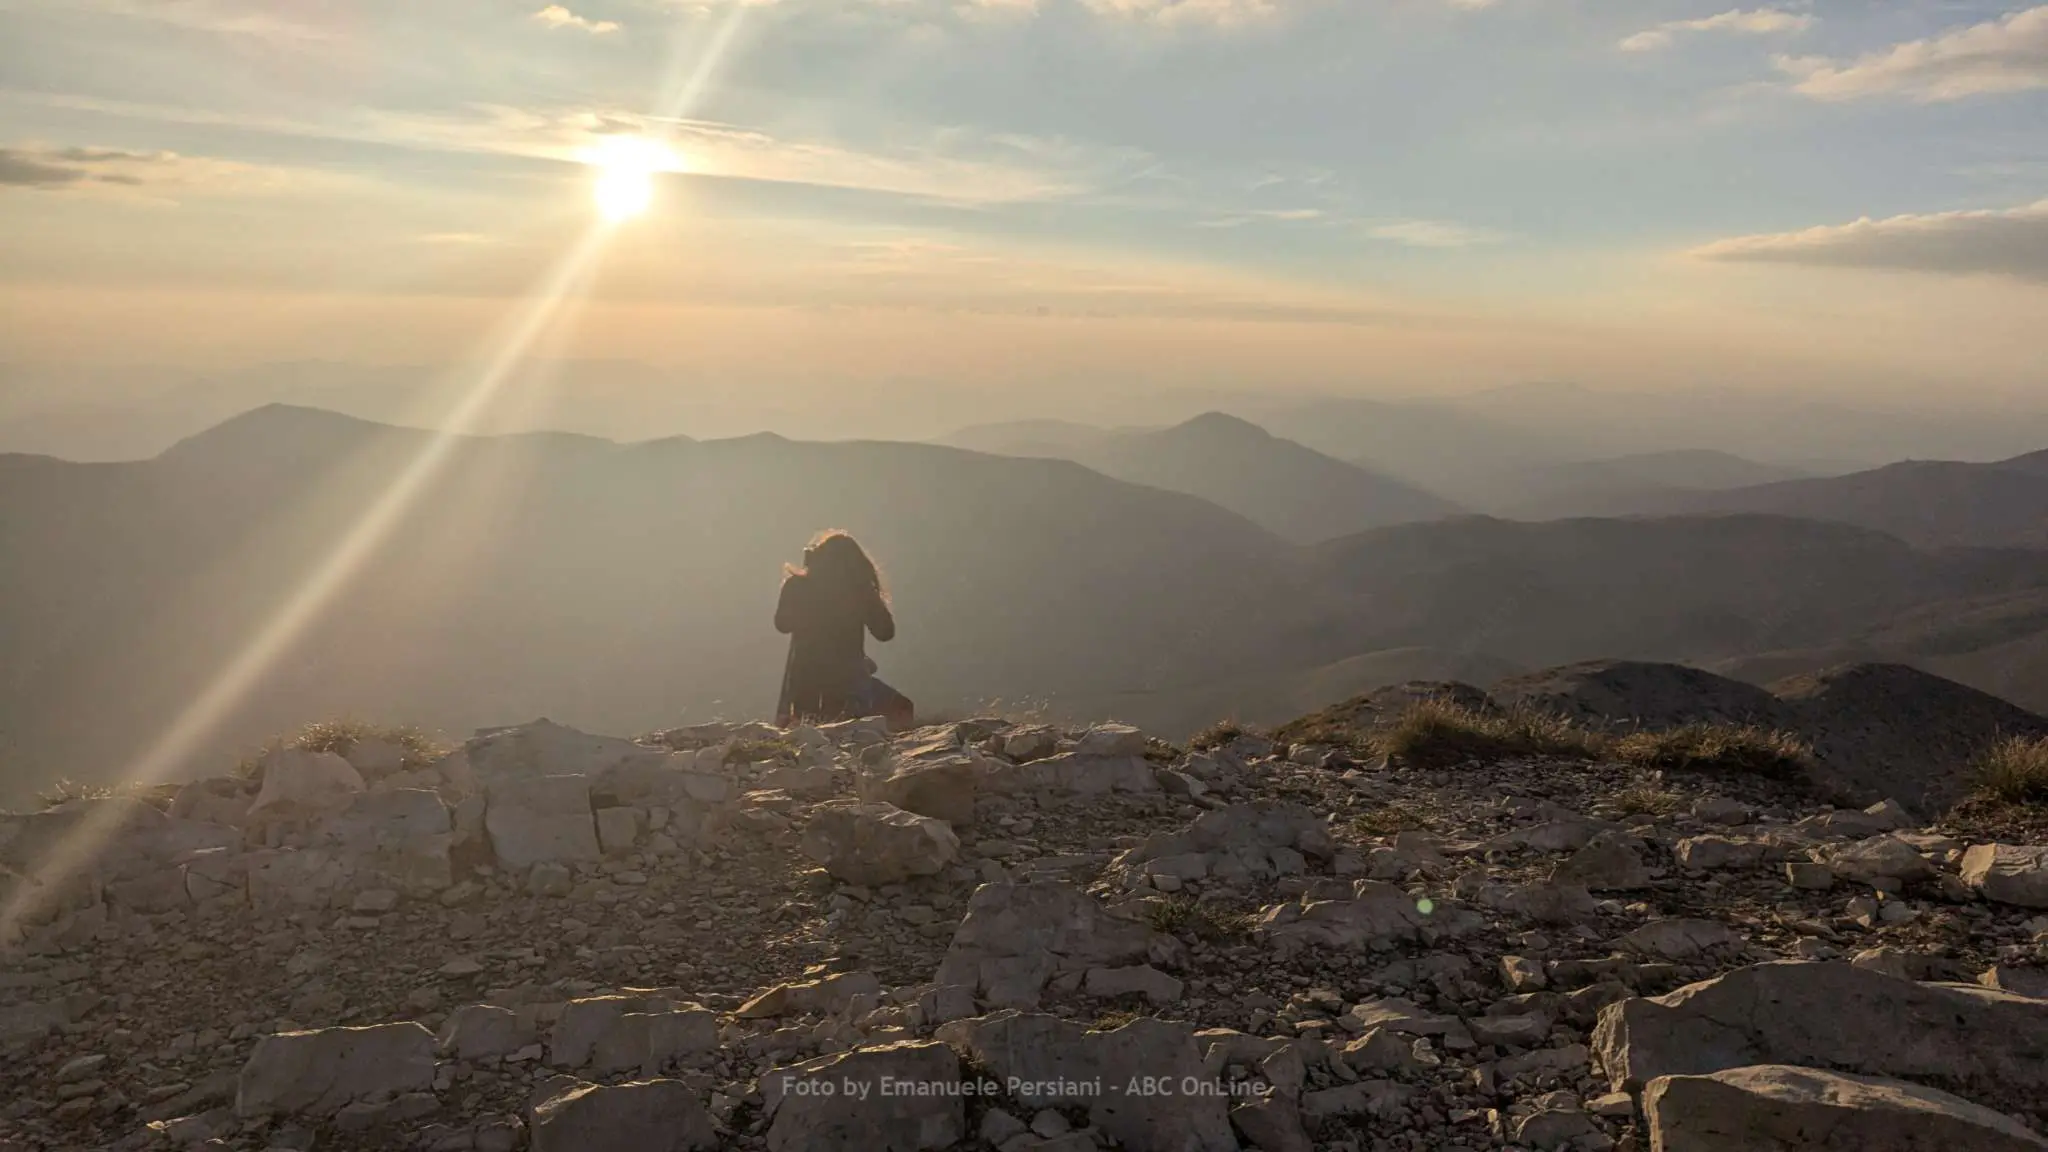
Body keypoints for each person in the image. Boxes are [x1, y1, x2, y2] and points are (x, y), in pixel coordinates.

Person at [773, 531, 913, 728]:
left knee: (810, 728)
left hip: (804, 681)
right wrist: (870, 594)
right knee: (902, 708)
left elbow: (782, 624)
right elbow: (885, 632)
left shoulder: (797, 585)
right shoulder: (859, 591)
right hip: (849, 681)